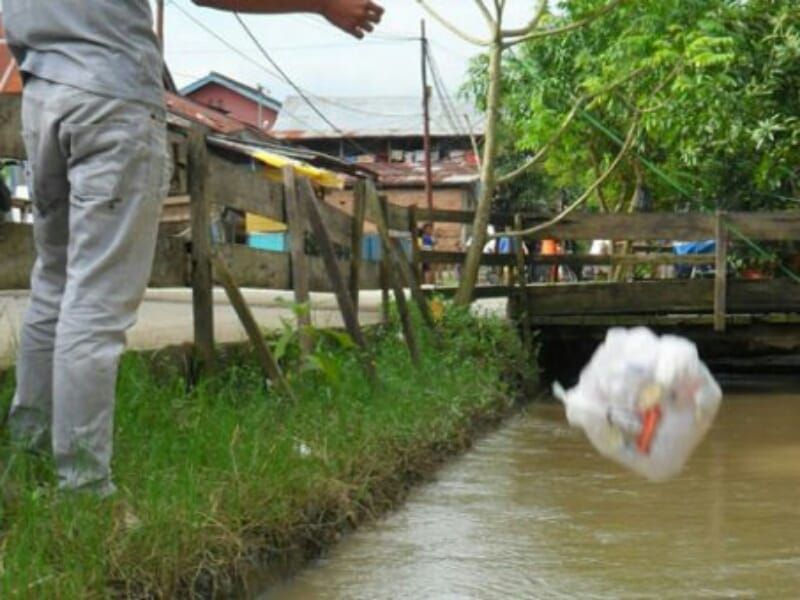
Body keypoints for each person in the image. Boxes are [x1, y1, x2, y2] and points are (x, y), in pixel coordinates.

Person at [3, 0, 384, 496]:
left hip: (42, 100)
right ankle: (84, 489)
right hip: (109, 100)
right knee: (95, 306)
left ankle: (24, 459)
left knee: (53, 286)